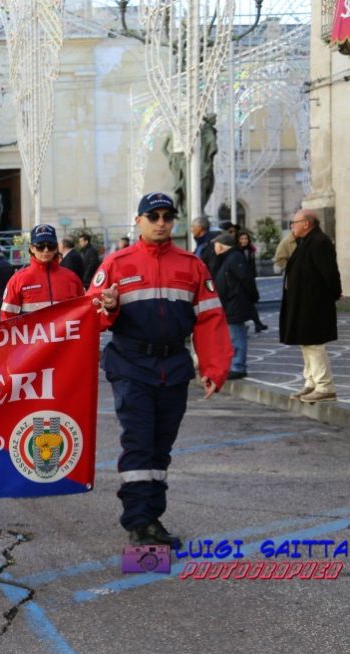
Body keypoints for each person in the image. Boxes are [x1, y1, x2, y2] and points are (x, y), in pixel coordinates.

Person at [88, 192, 231, 546]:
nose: (162, 222)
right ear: (139, 221)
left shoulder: (192, 265)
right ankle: (139, 522)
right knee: (139, 443)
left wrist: (214, 367)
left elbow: (210, 318)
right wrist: (107, 307)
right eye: (154, 216)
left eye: (168, 216)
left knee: (160, 447)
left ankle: (152, 516)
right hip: (131, 366)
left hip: (174, 367)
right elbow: (92, 319)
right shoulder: (116, 264)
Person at [279, 209, 342, 403]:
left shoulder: (319, 242)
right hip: (303, 303)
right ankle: (311, 382)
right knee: (306, 343)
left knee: (314, 344)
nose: (292, 226)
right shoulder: (306, 242)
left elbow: (330, 273)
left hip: (314, 304)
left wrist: (332, 295)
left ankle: (325, 386)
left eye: (294, 222)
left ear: (306, 223)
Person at [1, 225, 84, 319]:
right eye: (40, 246)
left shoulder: (71, 278)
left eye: (51, 245)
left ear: (56, 247)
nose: (46, 250)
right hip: (31, 333)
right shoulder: (18, 280)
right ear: (32, 248)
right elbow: (6, 319)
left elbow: (84, 314)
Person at [210, 233, 257, 379]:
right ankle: (234, 365)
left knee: (237, 336)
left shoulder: (234, 258)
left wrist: (252, 297)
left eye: (215, 245)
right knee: (232, 336)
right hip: (229, 303)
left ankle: (238, 366)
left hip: (235, 303)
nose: (214, 248)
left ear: (221, 246)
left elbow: (246, 279)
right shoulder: (226, 258)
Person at [236, 231, 267, 333]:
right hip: (241, 282)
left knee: (250, 303)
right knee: (247, 304)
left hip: (249, 281)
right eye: (242, 239)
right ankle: (256, 324)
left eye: (246, 239)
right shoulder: (237, 251)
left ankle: (257, 324)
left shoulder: (250, 250)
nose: (244, 241)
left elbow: (252, 267)